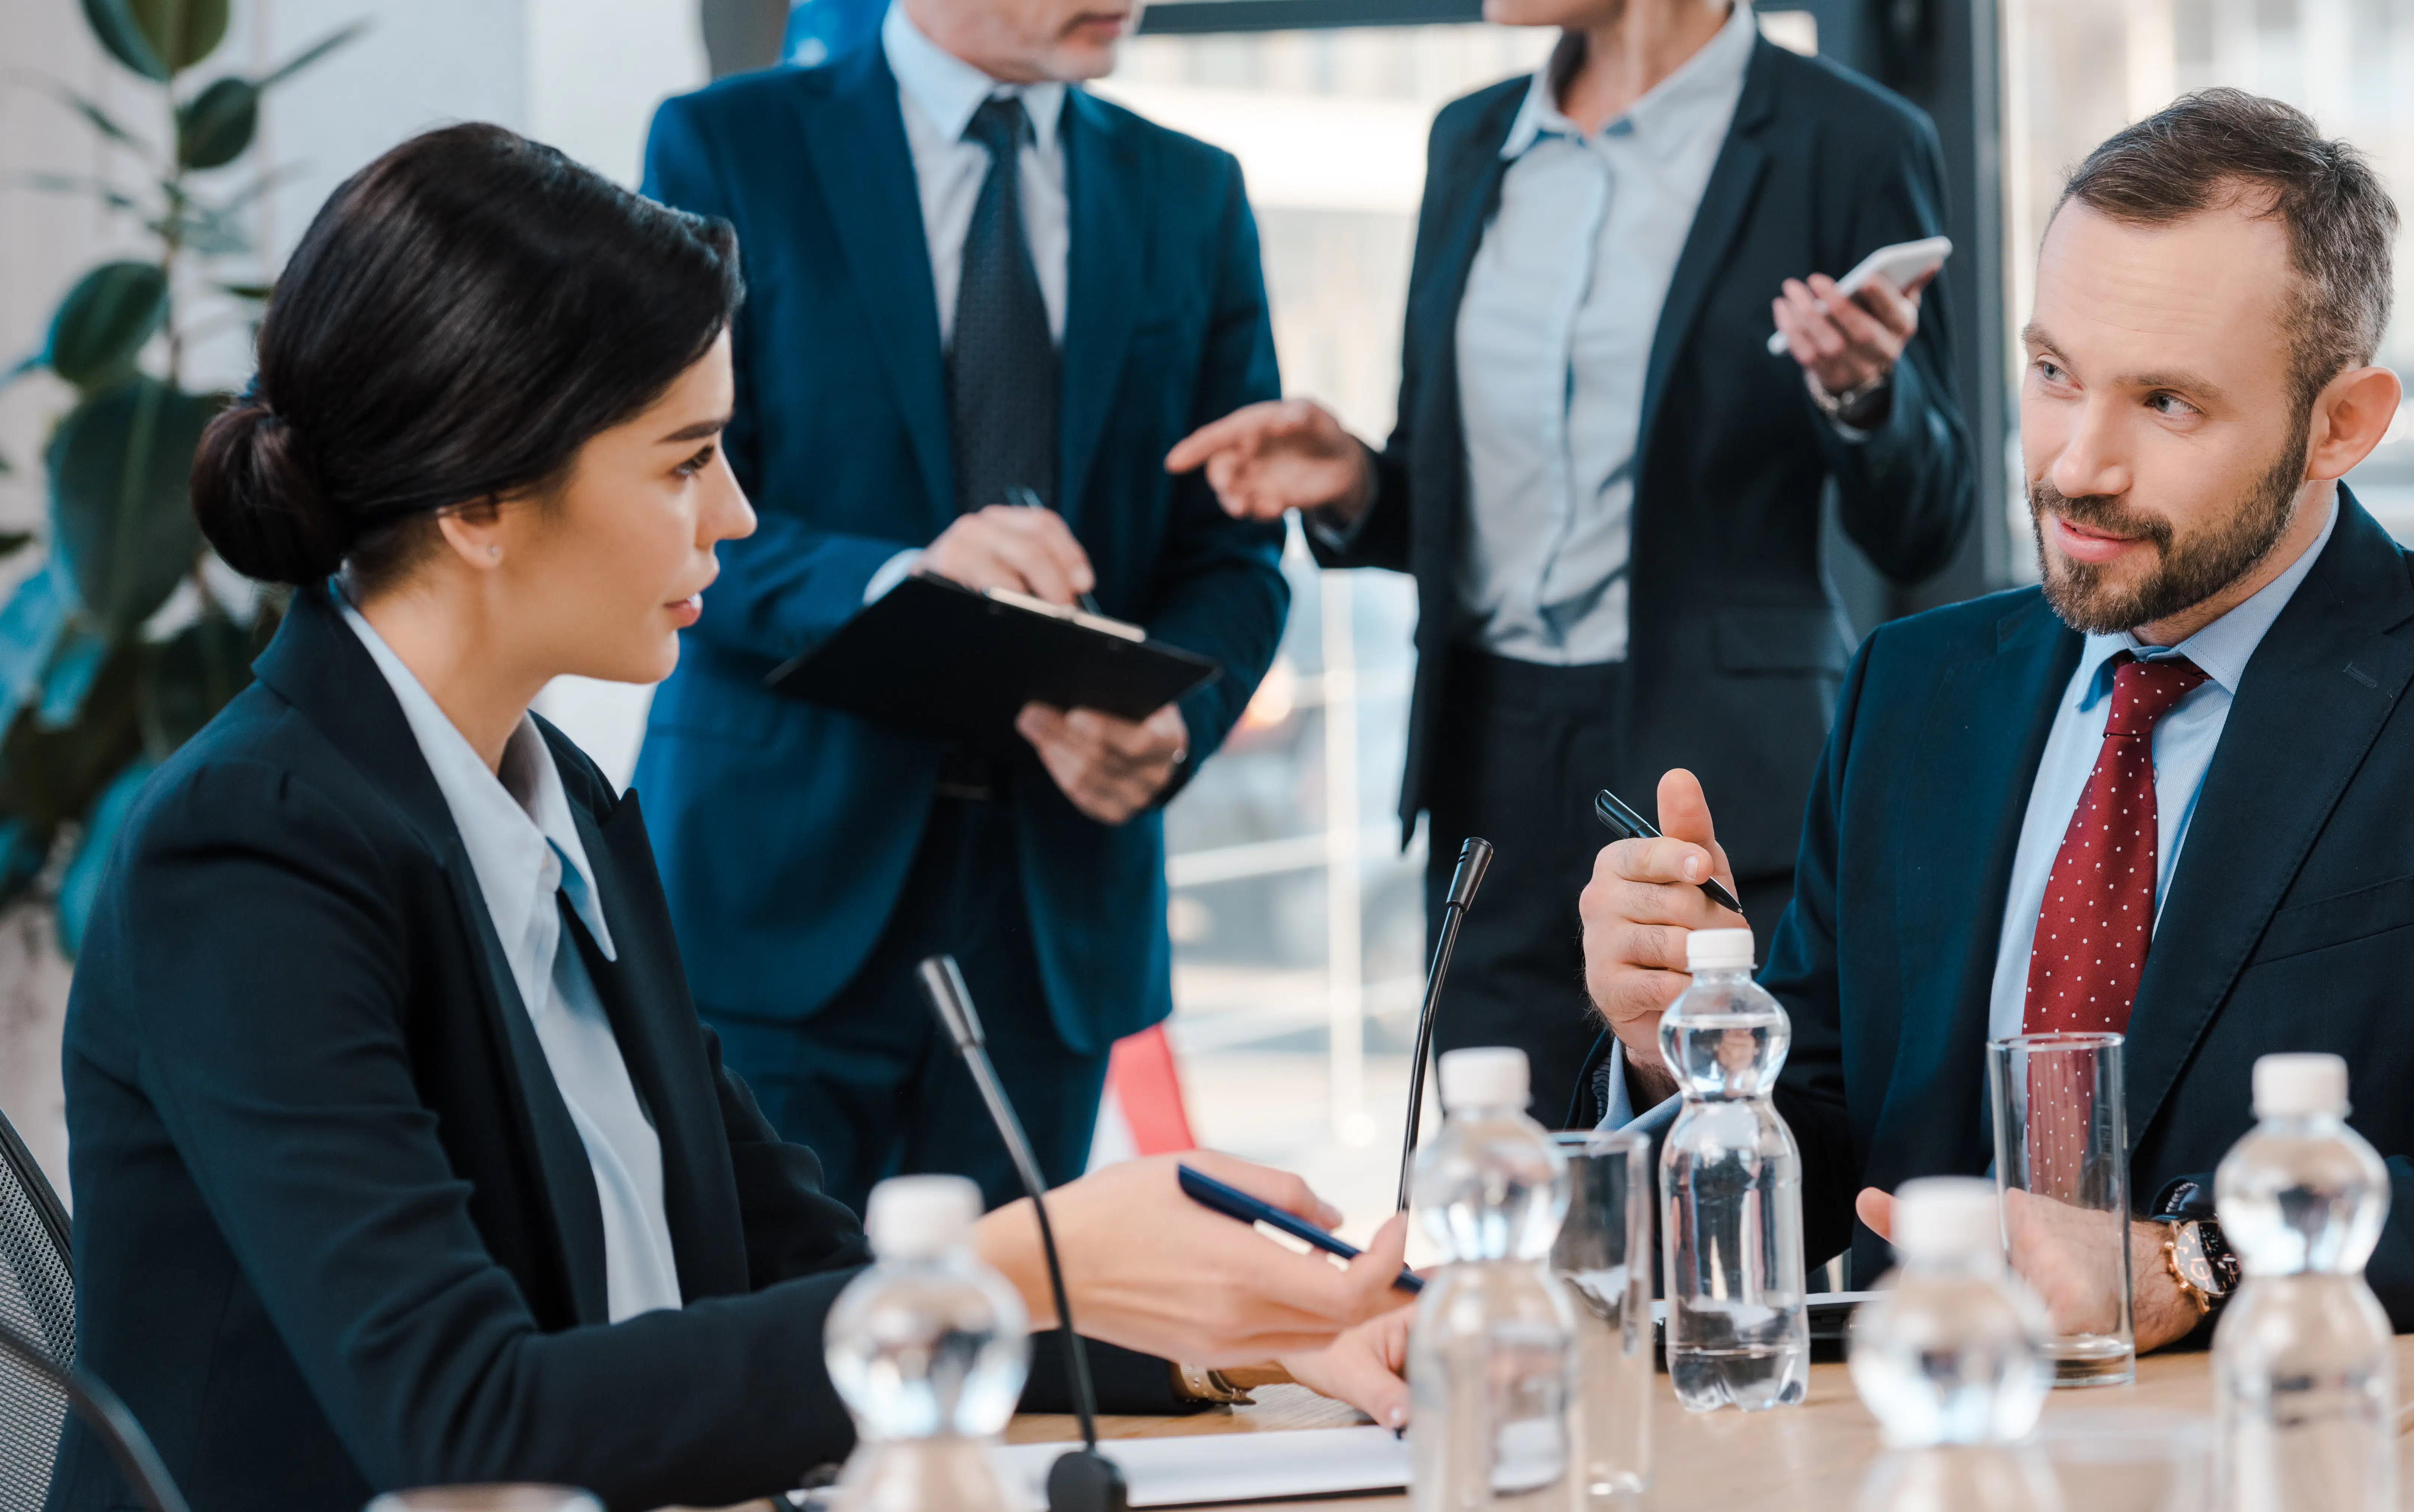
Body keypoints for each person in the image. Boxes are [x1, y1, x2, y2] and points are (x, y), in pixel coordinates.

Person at [53, 127, 1407, 1512]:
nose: (742, 515)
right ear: (477, 503)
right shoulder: (250, 854)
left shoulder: (553, 792)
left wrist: (1269, 1332)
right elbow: (464, 1424)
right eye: (687, 460)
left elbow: (798, 1273)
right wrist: (1013, 1259)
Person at [1576, 89, 2414, 1342]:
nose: (2080, 463)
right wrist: (1683, 1056)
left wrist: (2201, 1263)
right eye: (2052, 375)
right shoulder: (1912, 692)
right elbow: (1830, 1134)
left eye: (2167, 404)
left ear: (2339, 426)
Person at [1166, 0, 1976, 1123]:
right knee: (1498, 1188)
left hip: (1717, 784)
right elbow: (1445, 498)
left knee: (1719, 1184)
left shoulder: (1849, 145)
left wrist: (1863, 393)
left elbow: (1931, 518)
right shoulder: (1472, 144)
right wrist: (1351, 479)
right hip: (1489, 767)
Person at [633, 0, 1287, 1208]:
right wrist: (898, 581)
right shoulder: (727, 155)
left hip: (1052, 924)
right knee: (764, 1382)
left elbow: (1229, 557)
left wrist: (1174, 722)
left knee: (1003, 1387)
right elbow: (659, 498)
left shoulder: (1191, 197)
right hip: (778, 898)